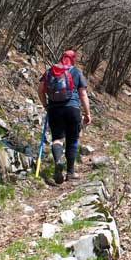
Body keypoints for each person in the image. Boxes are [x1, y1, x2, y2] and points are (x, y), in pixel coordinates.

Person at [38, 50, 92, 184]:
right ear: (73, 59)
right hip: (72, 109)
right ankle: (70, 172)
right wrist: (87, 113)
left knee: (57, 139)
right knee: (72, 140)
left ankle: (58, 161)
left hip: (54, 110)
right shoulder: (76, 72)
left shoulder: (50, 71)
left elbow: (40, 90)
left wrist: (46, 105)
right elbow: (83, 94)